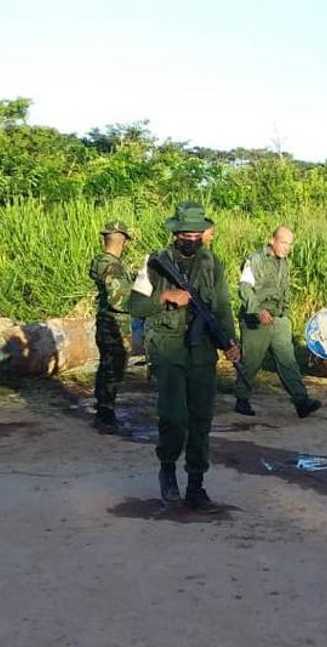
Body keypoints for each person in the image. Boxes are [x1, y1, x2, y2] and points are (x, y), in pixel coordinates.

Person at [127, 202, 241, 510]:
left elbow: (222, 307)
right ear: (175, 233)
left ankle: (195, 483)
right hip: (167, 347)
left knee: (201, 418)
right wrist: (164, 297)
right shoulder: (155, 263)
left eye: (196, 234)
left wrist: (230, 341)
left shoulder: (212, 264)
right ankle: (167, 469)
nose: (191, 239)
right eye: (185, 234)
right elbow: (134, 306)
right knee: (174, 417)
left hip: (202, 350)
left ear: (204, 234)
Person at [233, 226, 321, 418]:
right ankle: (241, 398)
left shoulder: (285, 264)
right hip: (256, 317)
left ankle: (301, 400)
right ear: (272, 240)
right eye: (283, 242)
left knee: (287, 359)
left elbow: (285, 290)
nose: (286, 247)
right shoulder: (255, 260)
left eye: (290, 244)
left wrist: (286, 313)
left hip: (278, 318)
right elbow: (245, 288)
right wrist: (257, 310)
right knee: (252, 359)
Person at [88, 220, 134, 433]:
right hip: (115, 324)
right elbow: (119, 300)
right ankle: (105, 415)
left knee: (107, 366)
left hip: (105, 321)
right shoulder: (113, 266)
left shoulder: (100, 261)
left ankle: (104, 411)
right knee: (112, 369)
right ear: (122, 241)